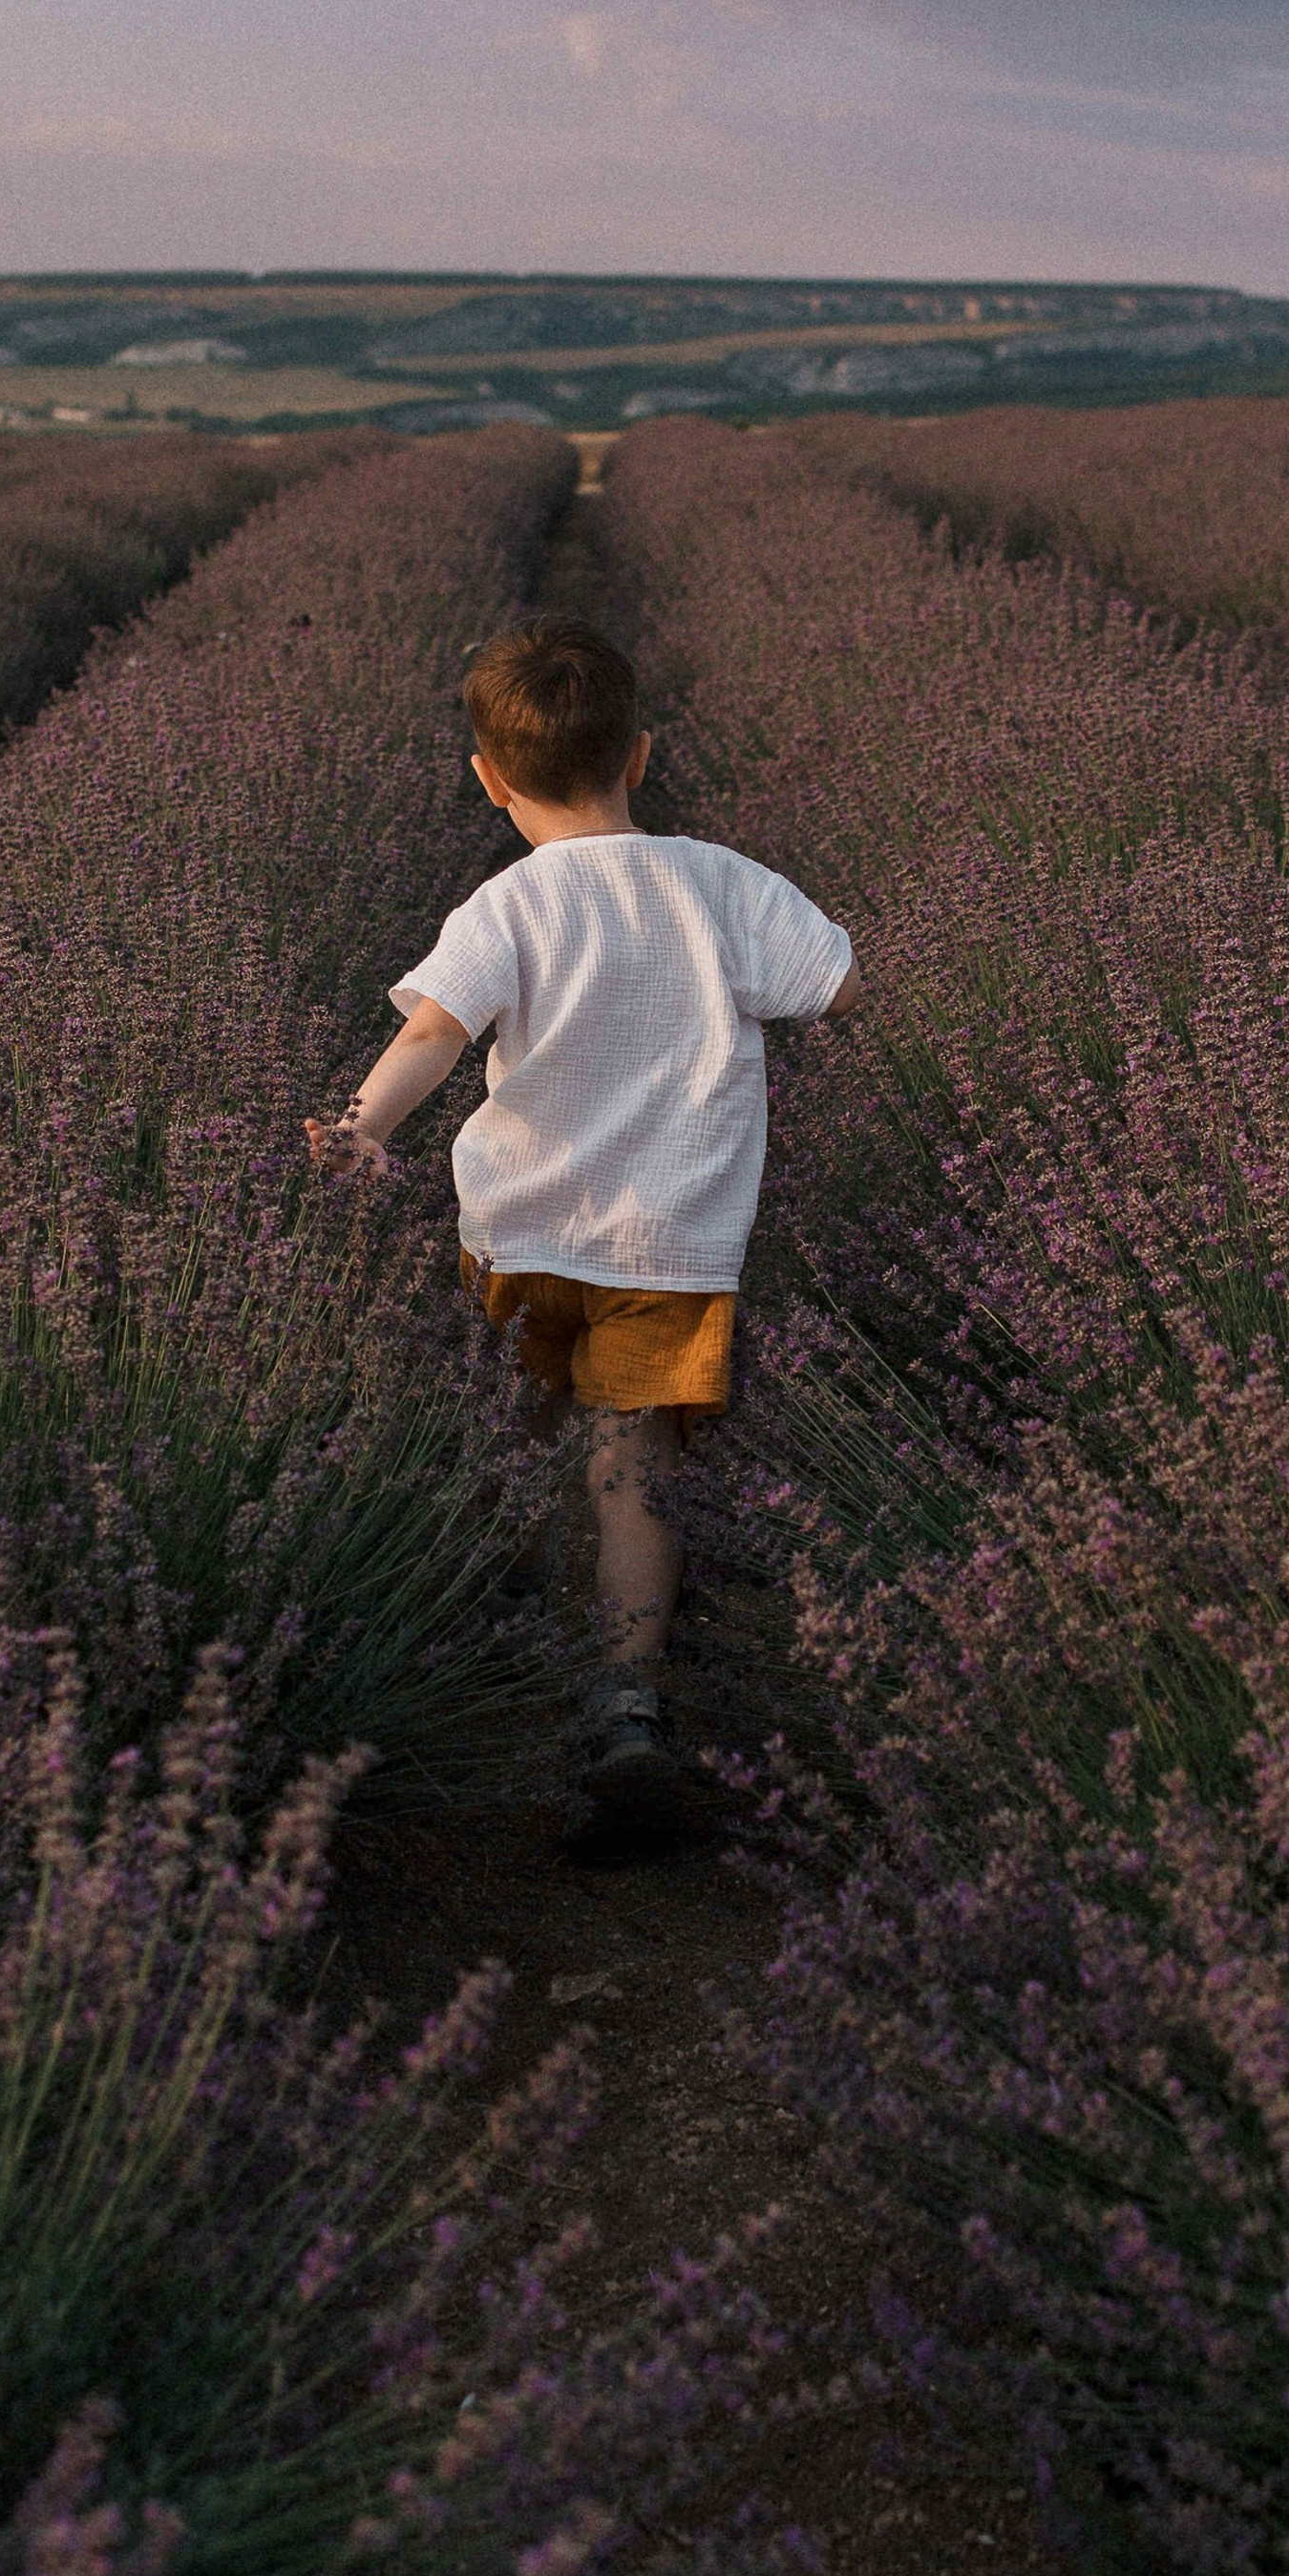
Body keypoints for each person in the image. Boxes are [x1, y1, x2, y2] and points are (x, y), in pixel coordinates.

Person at [305, 612, 863, 1812]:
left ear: (487, 780)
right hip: (670, 1240)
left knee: (500, 1431)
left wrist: (362, 1129)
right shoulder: (720, 882)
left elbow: (432, 1032)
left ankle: (480, 1624)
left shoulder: (505, 904)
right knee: (632, 1462)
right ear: (644, 756)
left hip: (518, 1231)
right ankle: (624, 1702)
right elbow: (838, 981)